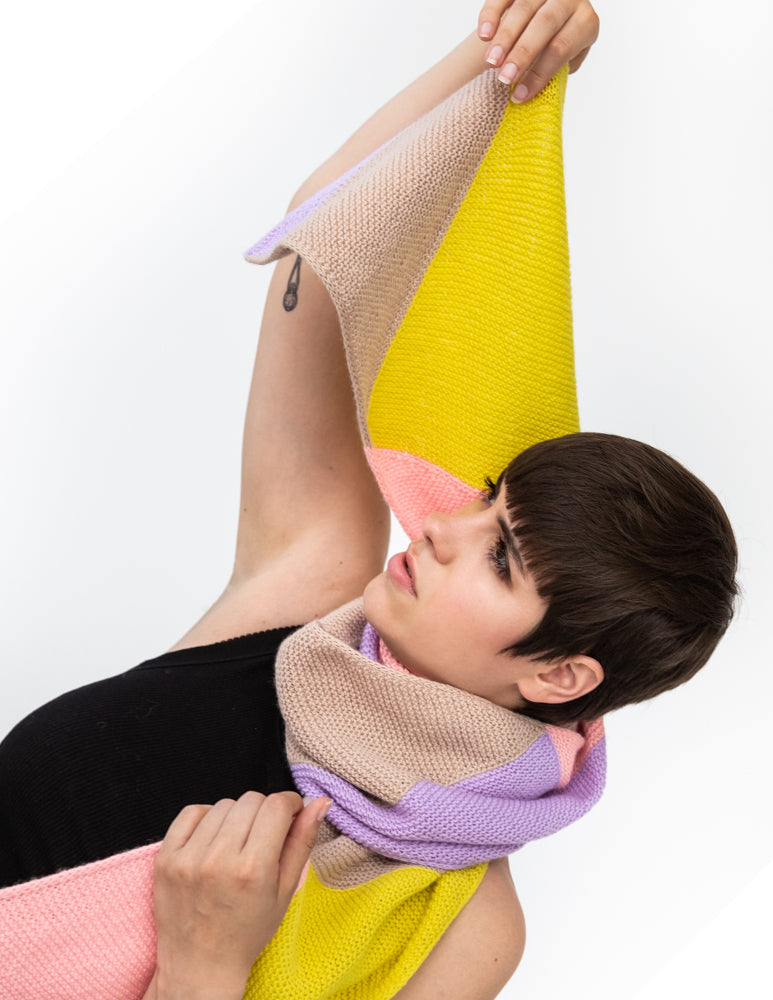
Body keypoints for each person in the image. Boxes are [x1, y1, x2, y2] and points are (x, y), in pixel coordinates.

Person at [0, 2, 738, 999]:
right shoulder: (307, 595)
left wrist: (205, 966)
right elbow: (328, 238)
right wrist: (509, 59)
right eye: (486, 502)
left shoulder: (464, 929)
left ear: (563, 673)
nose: (437, 525)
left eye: (501, 555)